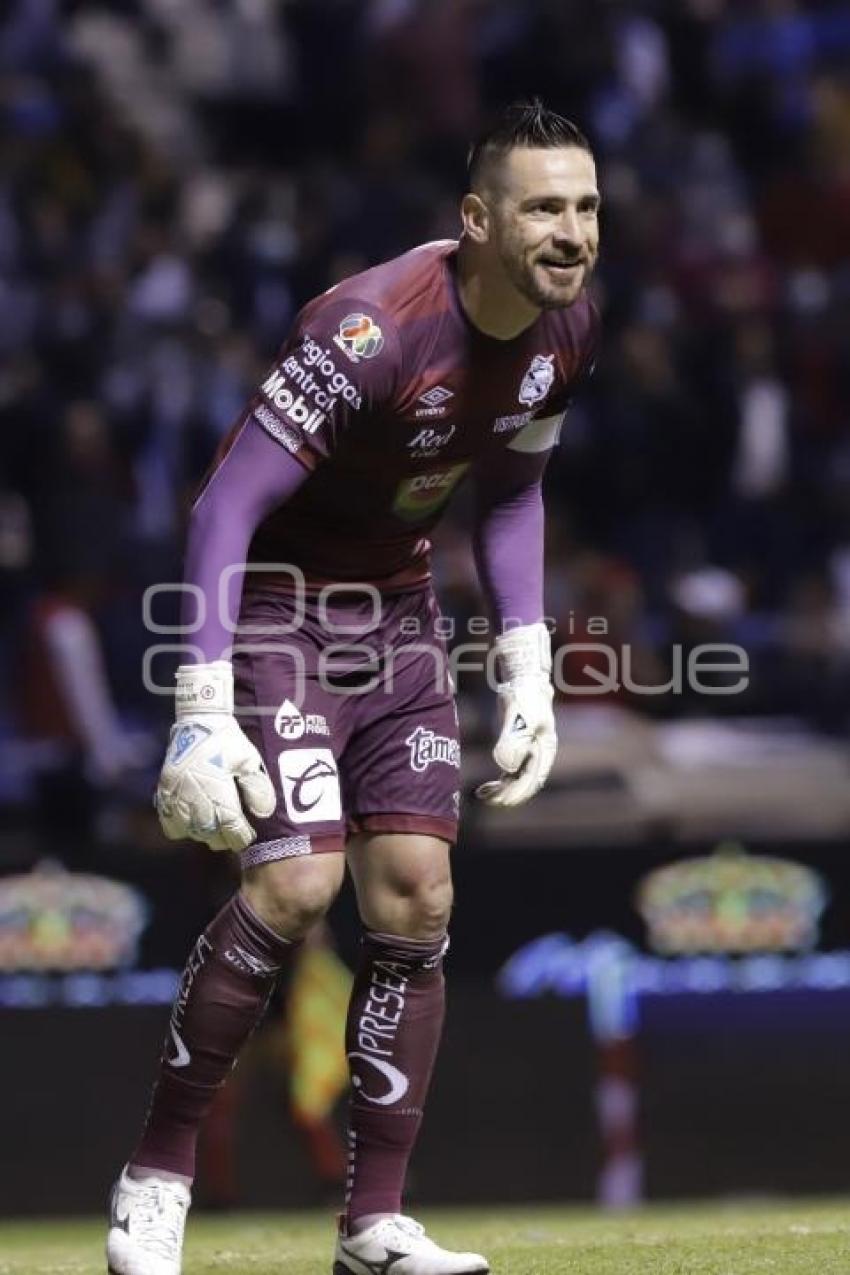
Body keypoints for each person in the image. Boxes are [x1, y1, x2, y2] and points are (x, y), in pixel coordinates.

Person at [107, 99, 601, 1275]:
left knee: (416, 895)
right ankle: (156, 1174)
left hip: (401, 620)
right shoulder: (371, 330)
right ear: (475, 219)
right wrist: (199, 705)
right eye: (543, 206)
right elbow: (223, 505)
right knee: (296, 889)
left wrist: (526, 666)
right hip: (278, 605)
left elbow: (517, 494)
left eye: (586, 205)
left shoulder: (564, 327)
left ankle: (371, 1225)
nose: (573, 232)